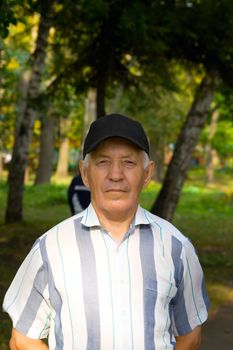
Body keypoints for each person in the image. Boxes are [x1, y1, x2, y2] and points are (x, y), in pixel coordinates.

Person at [3, 113, 209, 350]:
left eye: (128, 162)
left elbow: (190, 337)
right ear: (84, 173)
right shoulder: (50, 248)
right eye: (103, 162)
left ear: (147, 174)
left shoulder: (176, 247)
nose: (115, 174)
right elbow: (22, 340)